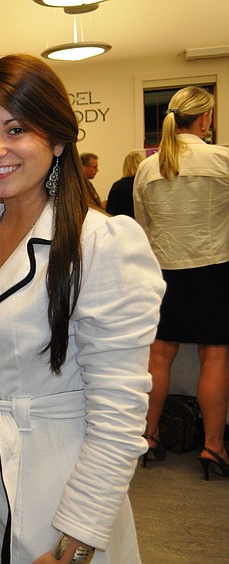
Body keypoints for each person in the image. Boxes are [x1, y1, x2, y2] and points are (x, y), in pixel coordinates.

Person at [0, 54, 164, 564]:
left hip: (57, 494)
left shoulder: (102, 243)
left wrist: (75, 540)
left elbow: (119, 413)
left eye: (16, 129)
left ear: (58, 140)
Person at [133, 85, 229, 480]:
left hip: (163, 271)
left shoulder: (147, 167)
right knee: (215, 356)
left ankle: (150, 438)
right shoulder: (222, 158)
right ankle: (213, 446)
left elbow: (143, 227)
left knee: (158, 356)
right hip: (214, 267)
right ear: (205, 119)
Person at [105, 151, 144, 218]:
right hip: (143, 225)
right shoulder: (144, 184)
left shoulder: (118, 186)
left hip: (123, 225)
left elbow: (110, 212)